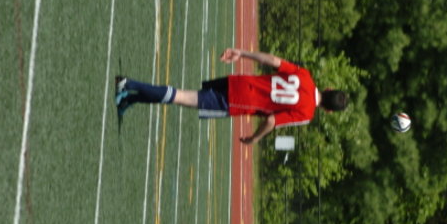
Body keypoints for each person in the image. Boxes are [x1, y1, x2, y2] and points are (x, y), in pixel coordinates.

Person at [115, 48, 348, 145]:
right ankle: (128, 84)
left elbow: (272, 60)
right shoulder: (306, 114)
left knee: (183, 97)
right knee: (181, 97)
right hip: (238, 103)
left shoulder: (305, 75)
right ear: (328, 110)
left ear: (328, 89)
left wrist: (242, 53)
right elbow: (271, 121)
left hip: (239, 82)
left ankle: (129, 99)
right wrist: (255, 138)